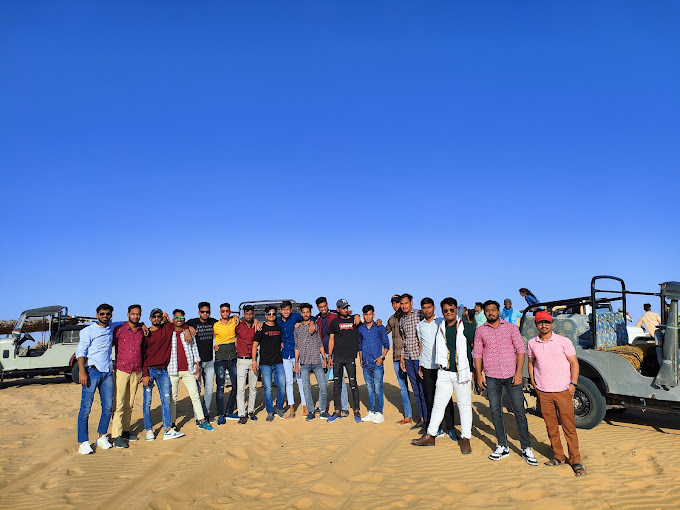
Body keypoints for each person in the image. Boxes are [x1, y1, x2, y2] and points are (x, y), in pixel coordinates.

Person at [474, 300, 536, 465]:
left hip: (511, 376)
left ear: (498, 311)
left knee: (519, 412)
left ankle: (526, 448)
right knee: (496, 412)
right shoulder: (480, 331)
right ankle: (502, 446)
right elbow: (477, 353)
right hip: (491, 376)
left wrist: (518, 373)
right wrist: (478, 375)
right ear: (484, 313)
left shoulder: (511, 328)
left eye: (493, 310)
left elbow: (520, 350)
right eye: (487, 310)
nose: (490, 313)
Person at [412, 298, 475, 454]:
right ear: (442, 312)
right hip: (444, 372)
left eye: (451, 309)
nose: (449, 312)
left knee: (464, 406)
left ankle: (465, 438)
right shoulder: (441, 327)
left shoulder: (466, 326)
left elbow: (476, 346)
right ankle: (431, 434)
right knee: (438, 404)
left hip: (462, 372)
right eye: (445, 310)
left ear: (456, 310)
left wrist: (475, 369)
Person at [528, 311, 585, 476]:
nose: (544, 325)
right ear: (536, 325)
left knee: (569, 427)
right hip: (544, 391)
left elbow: (574, 363)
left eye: (546, 322)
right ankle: (558, 456)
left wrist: (573, 384)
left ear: (552, 324)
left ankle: (575, 460)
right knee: (551, 427)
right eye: (540, 322)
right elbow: (531, 362)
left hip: (563, 390)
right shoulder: (532, 343)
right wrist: (533, 381)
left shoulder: (563, 341)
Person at [75, 304, 116, 454]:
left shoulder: (111, 327)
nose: (105, 316)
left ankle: (101, 436)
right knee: (86, 408)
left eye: (108, 314)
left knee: (108, 407)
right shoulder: (88, 331)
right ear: (97, 315)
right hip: (92, 371)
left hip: (107, 372)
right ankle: (83, 442)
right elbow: (81, 352)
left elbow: (128, 323)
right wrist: (82, 372)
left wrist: (142, 324)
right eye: (102, 313)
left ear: (111, 315)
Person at [142, 308, 185, 441]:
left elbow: (180, 323)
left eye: (159, 316)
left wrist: (188, 328)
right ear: (150, 318)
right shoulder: (146, 333)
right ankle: (149, 430)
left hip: (164, 371)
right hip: (149, 371)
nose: (156, 318)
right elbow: (143, 355)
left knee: (166, 400)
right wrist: (145, 374)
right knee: (147, 401)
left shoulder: (167, 328)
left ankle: (167, 429)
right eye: (154, 316)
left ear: (162, 318)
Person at [168, 309, 214, 431]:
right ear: (173, 319)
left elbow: (195, 350)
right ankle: (172, 424)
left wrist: (197, 367)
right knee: (173, 398)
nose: (179, 320)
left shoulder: (188, 333)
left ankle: (202, 420)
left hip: (188, 369)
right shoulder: (169, 333)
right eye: (176, 317)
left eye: (181, 318)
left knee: (195, 395)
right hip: (173, 370)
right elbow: (161, 322)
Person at [417, 297, 456, 439]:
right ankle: (437, 428)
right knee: (430, 398)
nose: (427, 310)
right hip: (426, 366)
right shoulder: (419, 326)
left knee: (446, 398)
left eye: (429, 307)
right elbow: (421, 345)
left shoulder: (441, 321)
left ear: (434, 308)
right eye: (424, 308)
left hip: (441, 366)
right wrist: (420, 364)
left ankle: (450, 428)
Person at [111, 304, 146, 448]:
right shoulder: (119, 330)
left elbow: (144, 351)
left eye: (138, 314)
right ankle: (116, 436)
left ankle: (126, 431)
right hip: (121, 370)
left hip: (136, 370)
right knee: (119, 403)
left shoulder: (141, 331)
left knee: (129, 403)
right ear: (128, 315)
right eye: (133, 314)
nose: (135, 316)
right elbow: (109, 346)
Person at [327, 299, 362, 423]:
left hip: (350, 357)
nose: (345, 309)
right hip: (337, 357)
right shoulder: (334, 323)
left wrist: (357, 315)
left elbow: (365, 322)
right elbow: (331, 340)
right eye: (343, 308)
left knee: (353, 383)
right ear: (338, 309)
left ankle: (356, 410)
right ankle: (337, 411)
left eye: (347, 307)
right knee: (337, 384)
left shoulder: (354, 320)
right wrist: (329, 356)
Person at [294, 303, 330, 421]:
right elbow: (297, 346)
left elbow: (319, 343)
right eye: (303, 312)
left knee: (323, 386)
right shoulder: (297, 328)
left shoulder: (315, 326)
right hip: (304, 363)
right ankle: (310, 412)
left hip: (317, 361)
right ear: (301, 314)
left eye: (307, 312)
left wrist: (324, 358)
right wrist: (296, 363)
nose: (305, 314)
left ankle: (322, 410)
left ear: (310, 313)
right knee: (306, 389)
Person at [252, 305, 286, 422]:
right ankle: (270, 412)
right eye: (269, 314)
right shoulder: (261, 328)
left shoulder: (279, 326)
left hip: (278, 362)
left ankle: (279, 408)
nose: (271, 315)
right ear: (266, 315)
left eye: (273, 313)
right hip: (265, 364)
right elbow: (255, 345)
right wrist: (254, 361)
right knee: (268, 389)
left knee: (282, 386)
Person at [315, 297, 349, 416]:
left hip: (337, 352)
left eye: (324, 306)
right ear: (318, 308)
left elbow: (348, 316)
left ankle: (344, 407)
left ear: (327, 305)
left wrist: (356, 316)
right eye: (320, 307)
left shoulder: (335, 315)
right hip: (323, 354)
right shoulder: (317, 319)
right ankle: (321, 406)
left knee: (340, 379)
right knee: (323, 381)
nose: (323, 308)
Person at [186, 302, 218, 422]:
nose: (205, 314)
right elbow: (180, 325)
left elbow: (226, 322)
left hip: (209, 361)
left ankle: (206, 414)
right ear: (199, 312)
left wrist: (235, 316)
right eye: (203, 312)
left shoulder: (213, 322)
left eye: (207, 311)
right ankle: (198, 416)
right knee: (197, 390)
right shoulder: (192, 322)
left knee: (209, 390)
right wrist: (188, 328)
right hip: (196, 362)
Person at [398, 293, 426, 430]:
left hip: (420, 359)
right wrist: (402, 357)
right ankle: (421, 419)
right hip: (409, 358)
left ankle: (427, 419)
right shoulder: (402, 320)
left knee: (423, 389)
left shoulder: (420, 314)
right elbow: (404, 340)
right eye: (402, 303)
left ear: (411, 303)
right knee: (415, 390)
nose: (404, 306)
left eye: (406, 303)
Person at [358, 305, 390, 424]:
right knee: (370, 389)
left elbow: (386, 344)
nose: (368, 317)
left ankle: (379, 413)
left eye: (370, 314)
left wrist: (382, 357)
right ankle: (371, 411)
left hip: (377, 363)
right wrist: (361, 359)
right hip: (366, 364)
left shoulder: (379, 327)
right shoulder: (361, 329)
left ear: (373, 315)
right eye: (366, 315)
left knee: (378, 388)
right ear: (363, 316)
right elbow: (360, 345)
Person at [385, 294, 412, 425]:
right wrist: (377, 324)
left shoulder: (408, 317)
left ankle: (424, 417)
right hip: (396, 358)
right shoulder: (391, 319)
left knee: (418, 387)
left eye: (397, 302)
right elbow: (384, 332)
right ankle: (408, 416)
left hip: (410, 357)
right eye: (393, 303)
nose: (395, 305)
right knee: (403, 388)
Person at [278, 301, 306, 418]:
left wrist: (301, 323)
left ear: (291, 310)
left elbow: (309, 317)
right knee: (289, 382)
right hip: (285, 355)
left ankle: (305, 407)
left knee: (300, 380)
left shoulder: (295, 317)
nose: (286, 311)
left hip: (296, 353)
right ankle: (291, 409)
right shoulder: (278, 321)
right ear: (281, 310)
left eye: (288, 309)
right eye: (284, 309)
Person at [214, 303, 240, 423]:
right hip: (220, 359)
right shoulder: (215, 325)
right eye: (223, 311)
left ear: (230, 311)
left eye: (227, 311)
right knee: (220, 387)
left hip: (233, 358)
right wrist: (213, 346)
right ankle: (220, 414)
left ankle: (229, 411)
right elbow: (209, 338)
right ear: (220, 312)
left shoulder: (234, 321)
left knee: (236, 386)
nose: (225, 313)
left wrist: (236, 316)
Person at [235, 305, 258, 425]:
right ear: (243, 314)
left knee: (253, 387)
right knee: (241, 388)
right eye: (246, 314)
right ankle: (241, 414)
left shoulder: (257, 326)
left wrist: (258, 322)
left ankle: (250, 411)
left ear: (253, 314)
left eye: (250, 314)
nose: (248, 316)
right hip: (241, 360)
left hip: (254, 359)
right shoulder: (238, 326)